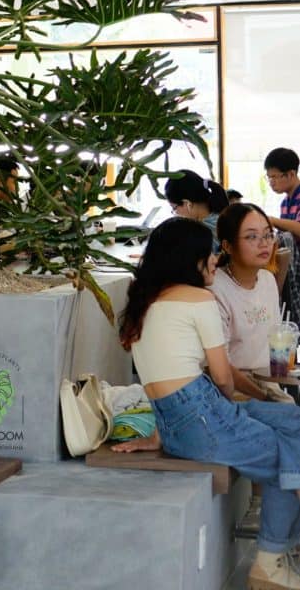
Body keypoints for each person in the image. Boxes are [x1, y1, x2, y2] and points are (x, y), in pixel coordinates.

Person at [114, 217, 300, 589]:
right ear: (189, 258)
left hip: (181, 421)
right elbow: (222, 377)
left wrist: (160, 434)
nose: (215, 259)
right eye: (209, 253)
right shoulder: (199, 299)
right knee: (289, 458)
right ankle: (269, 563)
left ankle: (284, 548)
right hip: (206, 418)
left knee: (292, 419)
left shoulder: (145, 301)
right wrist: (232, 410)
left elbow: (162, 378)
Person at [212, 203, 293, 404]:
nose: (264, 243)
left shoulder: (267, 280)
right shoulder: (215, 288)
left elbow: (274, 340)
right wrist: (265, 398)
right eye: (251, 237)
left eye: (268, 235)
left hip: (267, 381)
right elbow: (218, 368)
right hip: (232, 388)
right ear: (227, 246)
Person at [264, 148, 300, 321]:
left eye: (274, 177)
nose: (271, 182)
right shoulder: (285, 202)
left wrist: (272, 220)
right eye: (268, 177)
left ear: (291, 174)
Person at [164, 169, 229, 246]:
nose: (175, 213)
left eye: (174, 208)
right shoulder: (221, 219)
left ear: (187, 204)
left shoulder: (201, 234)